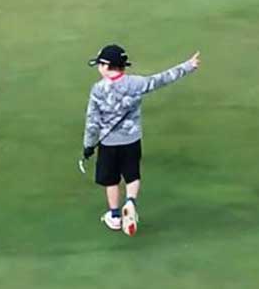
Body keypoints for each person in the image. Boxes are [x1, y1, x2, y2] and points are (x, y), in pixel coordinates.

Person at [82, 44, 201, 236]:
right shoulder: (136, 83)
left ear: (106, 66)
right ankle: (130, 202)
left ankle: (114, 215)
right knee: (132, 174)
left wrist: (88, 145)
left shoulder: (98, 89)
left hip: (108, 142)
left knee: (110, 180)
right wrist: (188, 66)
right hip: (131, 139)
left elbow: (92, 121)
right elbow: (162, 79)